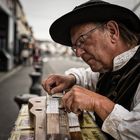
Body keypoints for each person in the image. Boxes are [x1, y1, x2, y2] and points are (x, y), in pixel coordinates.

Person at [42, 0, 140, 139]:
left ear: (112, 31)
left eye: (82, 40)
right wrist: (71, 79)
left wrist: (98, 103)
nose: (78, 53)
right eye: (75, 47)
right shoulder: (110, 66)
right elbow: (89, 77)